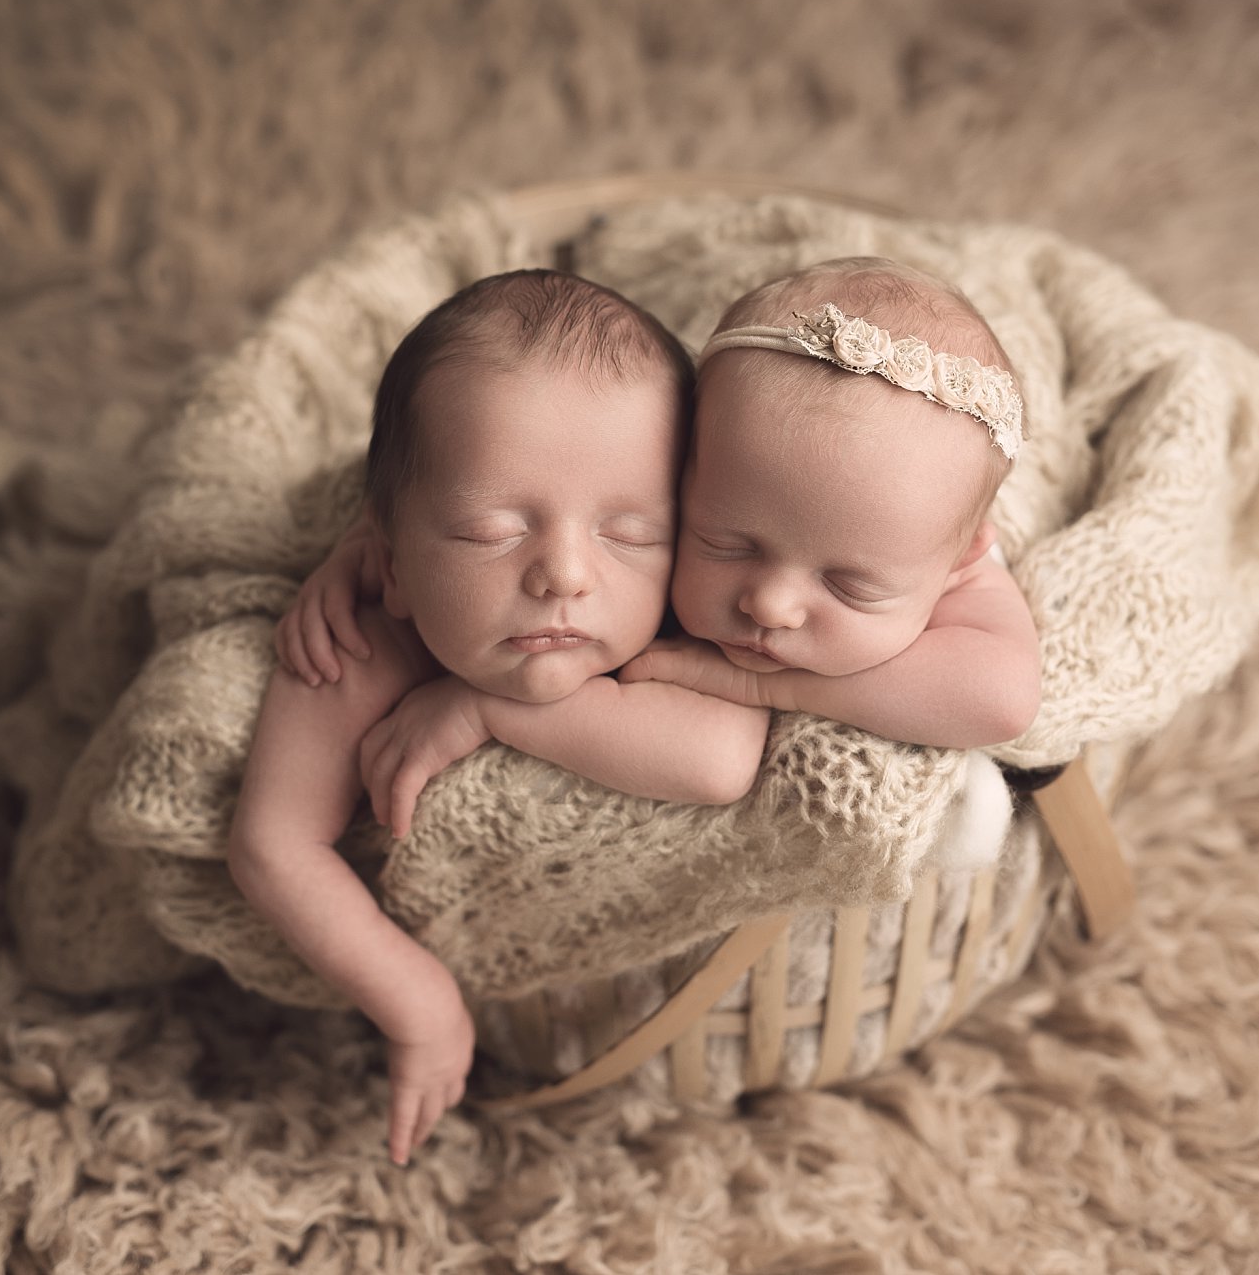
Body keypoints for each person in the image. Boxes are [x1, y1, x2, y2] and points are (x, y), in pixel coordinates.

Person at [229, 269, 770, 1168]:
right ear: (391, 562)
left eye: (630, 530)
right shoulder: (356, 646)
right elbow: (272, 847)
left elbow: (721, 759)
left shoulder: (666, 609)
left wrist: (489, 705)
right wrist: (418, 1003)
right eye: (490, 531)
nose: (565, 574)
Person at [617, 256, 1043, 766]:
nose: (771, 606)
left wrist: (762, 686)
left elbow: (1003, 703)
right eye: (726, 545)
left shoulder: (949, 556)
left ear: (961, 561)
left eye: (848, 586)